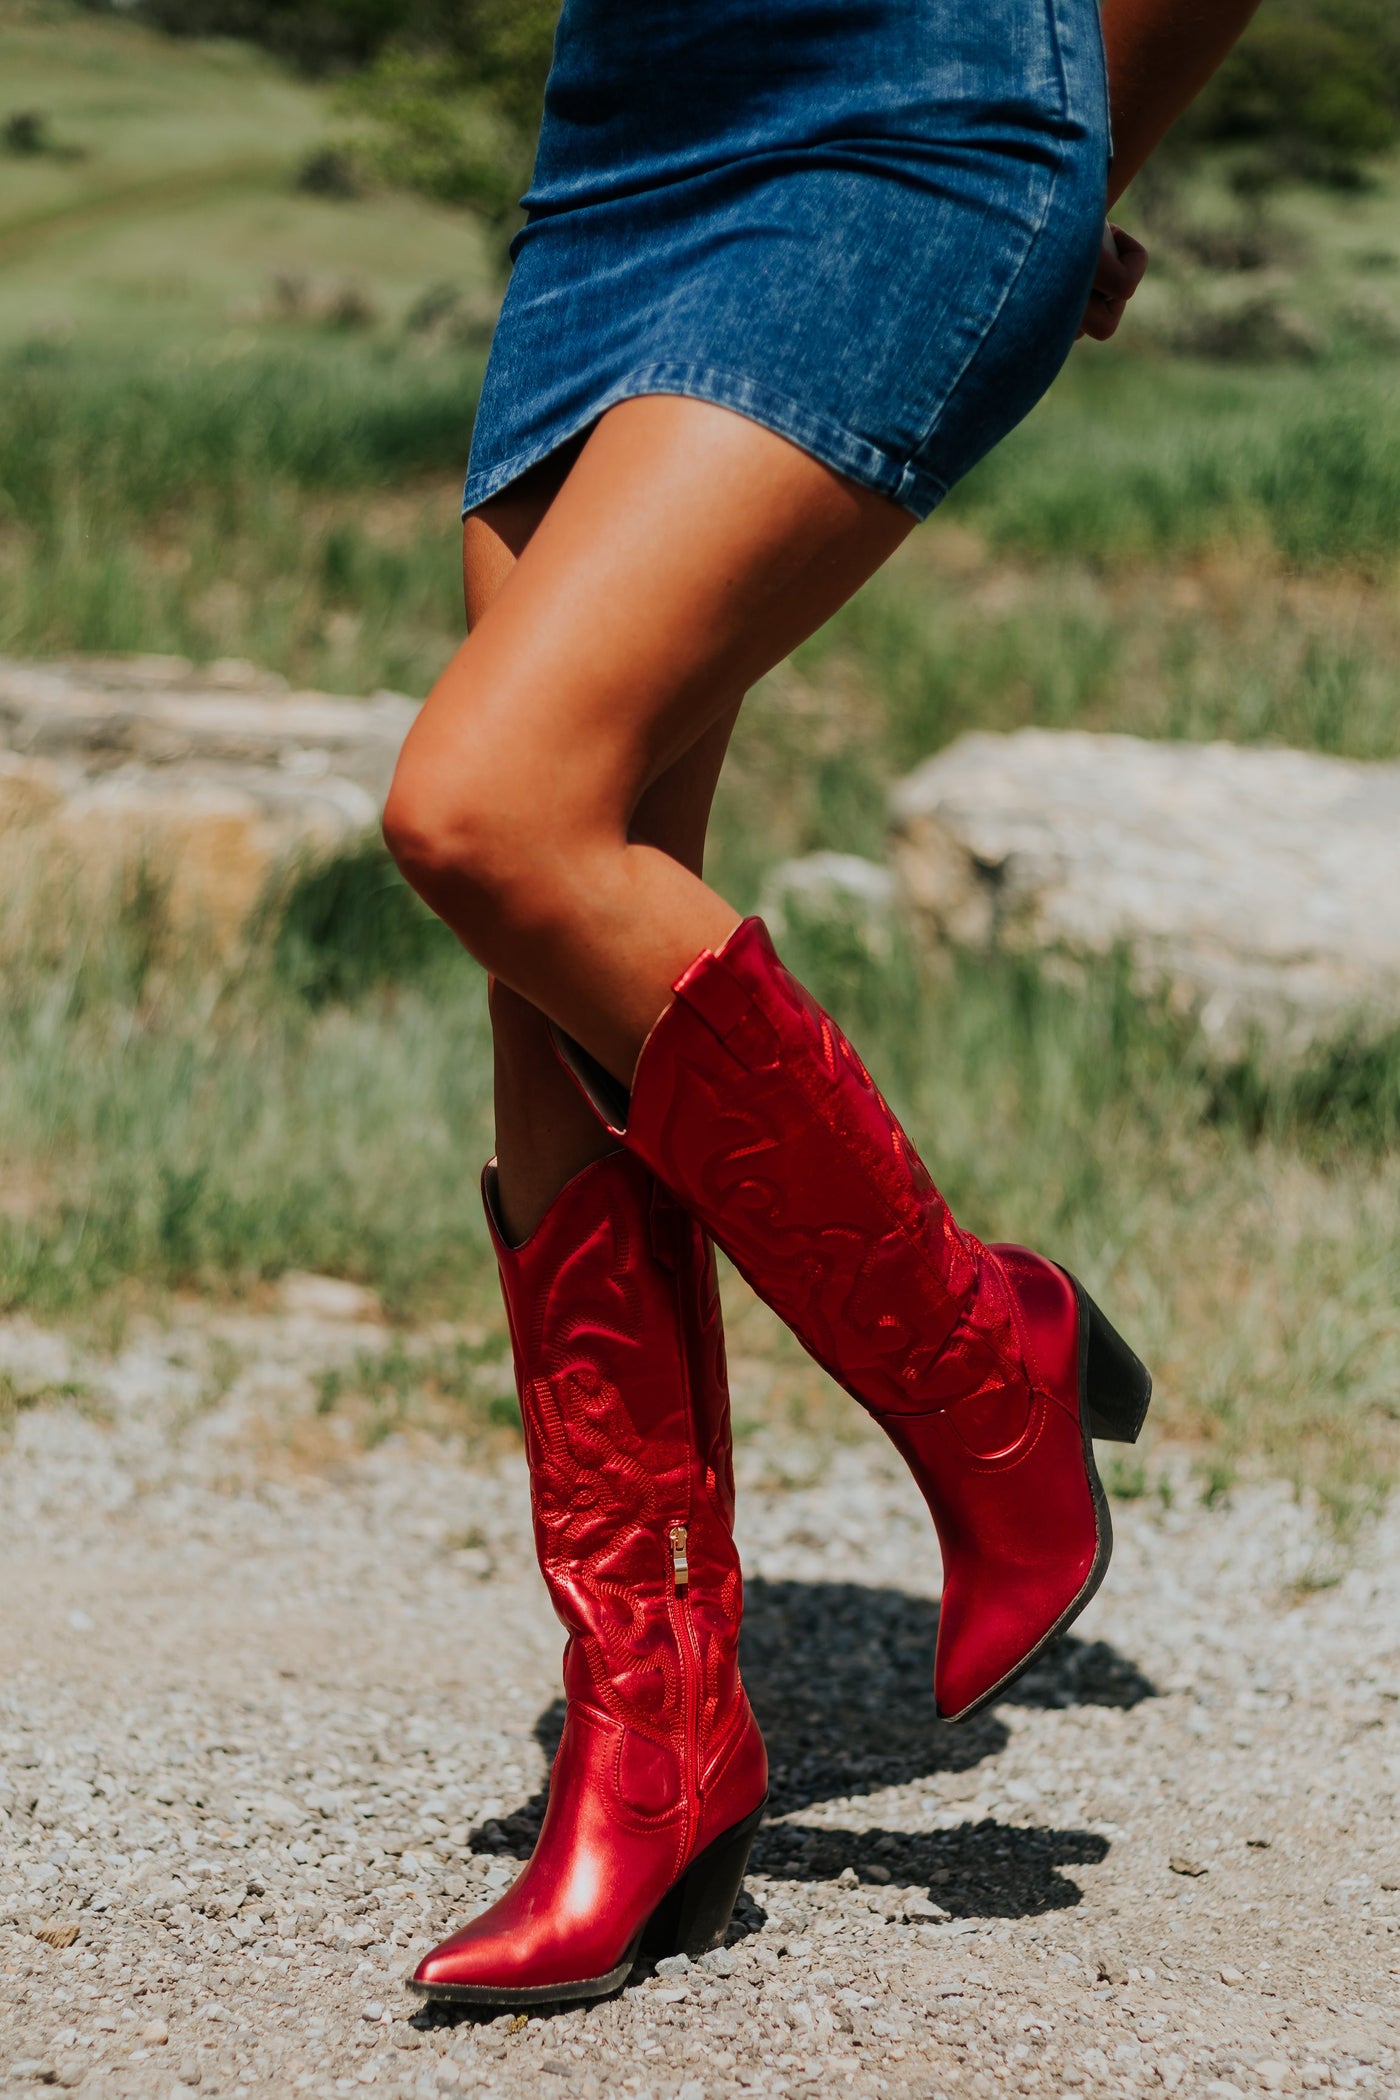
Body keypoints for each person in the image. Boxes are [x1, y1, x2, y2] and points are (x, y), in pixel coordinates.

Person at [382, 0, 1263, 2008]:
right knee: (552, 964)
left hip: (913, 116)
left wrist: (1091, 152)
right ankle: (654, 1739)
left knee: (488, 816)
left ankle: (981, 1358)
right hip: (624, 140)